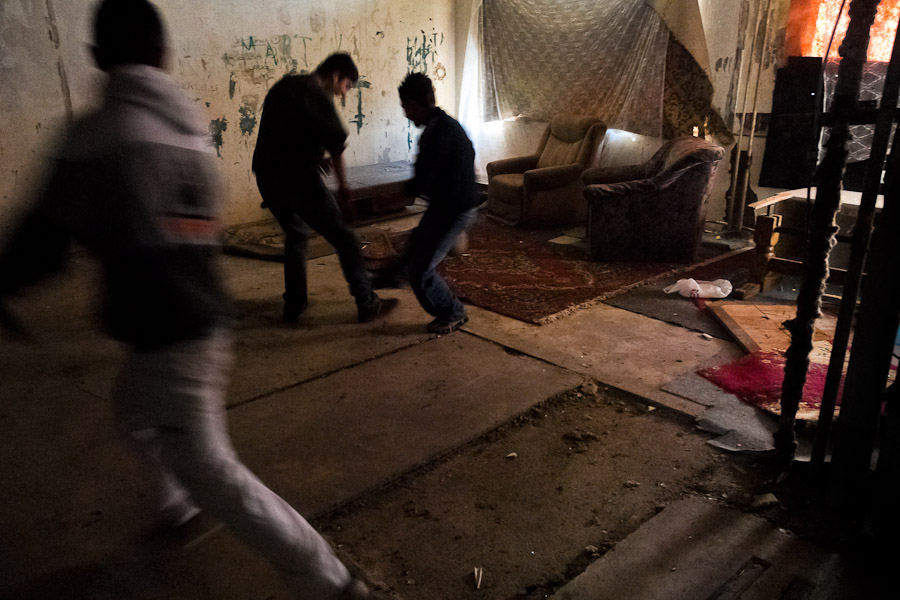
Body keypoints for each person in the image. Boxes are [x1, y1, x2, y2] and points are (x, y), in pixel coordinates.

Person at [0, 1, 371, 598]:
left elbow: (41, 240)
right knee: (131, 413)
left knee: (214, 472)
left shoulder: (97, 133)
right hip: (194, 318)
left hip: (171, 328)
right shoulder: (191, 126)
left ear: (96, 58)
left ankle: (327, 579)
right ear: (165, 55)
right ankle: (175, 506)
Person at [252, 53, 398, 323]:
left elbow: (284, 135)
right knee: (346, 237)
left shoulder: (285, 86)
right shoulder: (318, 92)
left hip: (267, 176)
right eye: (345, 87)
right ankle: (367, 303)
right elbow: (337, 146)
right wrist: (344, 190)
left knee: (296, 235)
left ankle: (294, 304)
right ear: (335, 75)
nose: (343, 95)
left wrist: (312, 157)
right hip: (298, 180)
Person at [373, 72, 480, 334]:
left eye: (404, 108)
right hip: (446, 207)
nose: (406, 115)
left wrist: (387, 203)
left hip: (455, 211)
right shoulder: (445, 125)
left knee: (420, 271)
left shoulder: (438, 133)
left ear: (413, 103)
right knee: (414, 248)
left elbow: (419, 183)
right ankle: (390, 275)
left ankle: (454, 312)